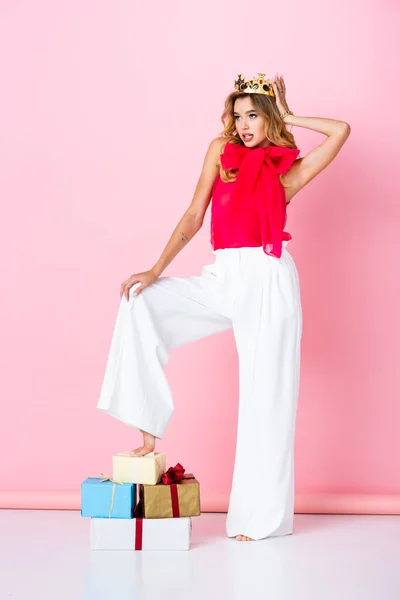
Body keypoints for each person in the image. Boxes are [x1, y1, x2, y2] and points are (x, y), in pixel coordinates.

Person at [97, 72, 351, 542]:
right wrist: (155, 269)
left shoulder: (287, 173)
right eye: (238, 115)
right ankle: (148, 429)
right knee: (143, 302)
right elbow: (195, 215)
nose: (244, 124)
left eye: (253, 114)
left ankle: (261, 520)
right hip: (224, 275)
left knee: (267, 395)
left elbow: (340, 131)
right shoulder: (221, 152)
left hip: (269, 279)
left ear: (268, 116)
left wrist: (288, 114)